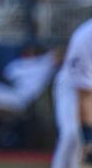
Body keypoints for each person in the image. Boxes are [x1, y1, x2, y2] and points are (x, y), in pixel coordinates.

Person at [52, 18, 92, 168]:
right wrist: (88, 136)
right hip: (73, 87)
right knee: (72, 135)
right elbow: (85, 95)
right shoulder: (86, 37)